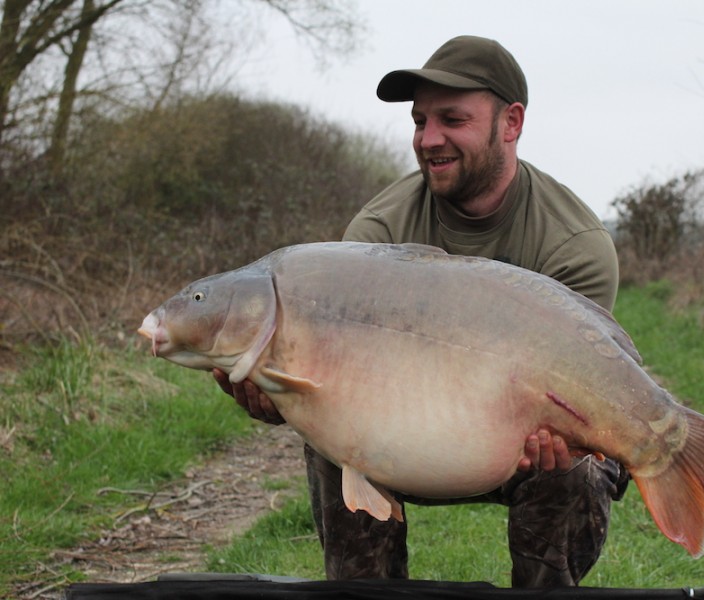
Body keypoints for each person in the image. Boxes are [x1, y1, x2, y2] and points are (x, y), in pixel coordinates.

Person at [214, 35, 627, 588]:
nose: (429, 139)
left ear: (511, 122)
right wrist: (279, 397)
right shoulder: (375, 235)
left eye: (452, 120)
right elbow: (334, 378)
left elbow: (588, 387)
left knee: (578, 465)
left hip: (515, 441)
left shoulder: (573, 244)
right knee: (330, 441)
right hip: (401, 434)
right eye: (419, 121)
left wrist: (570, 433)